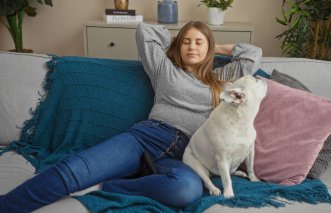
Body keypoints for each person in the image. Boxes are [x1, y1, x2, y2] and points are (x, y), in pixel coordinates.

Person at [0, 21, 262, 212]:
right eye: (186, 41)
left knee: (186, 191)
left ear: (209, 47)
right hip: (146, 138)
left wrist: (218, 47)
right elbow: (144, 31)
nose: (192, 46)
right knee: (74, 170)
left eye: (199, 42)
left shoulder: (221, 80)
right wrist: (178, 37)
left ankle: (109, 187)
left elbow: (253, 54)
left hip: (188, 154)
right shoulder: (164, 68)